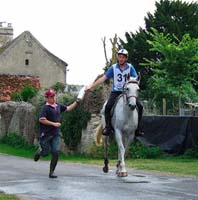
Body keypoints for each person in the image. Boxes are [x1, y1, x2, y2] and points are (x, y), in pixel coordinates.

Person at [85, 49, 143, 136]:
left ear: (126, 58)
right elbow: (103, 78)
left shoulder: (130, 67)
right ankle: (108, 127)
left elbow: (135, 79)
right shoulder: (113, 68)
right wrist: (91, 86)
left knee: (140, 107)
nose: (121, 59)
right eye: (119, 57)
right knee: (108, 107)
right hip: (116, 91)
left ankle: (138, 128)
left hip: (127, 92)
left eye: (123, 57)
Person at [34, 89, 81, 178]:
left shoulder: (58, 106)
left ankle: (52, 172)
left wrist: (77, 102)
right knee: (46, 153)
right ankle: (40, 152)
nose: (53, 98)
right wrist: (54, 124)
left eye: (54, 96)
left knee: (55, 152)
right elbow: (41, 120)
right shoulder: (45, 108)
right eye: (51, 97)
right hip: (46, 134)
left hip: (56, 134)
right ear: (47, 98)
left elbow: (68, 108)